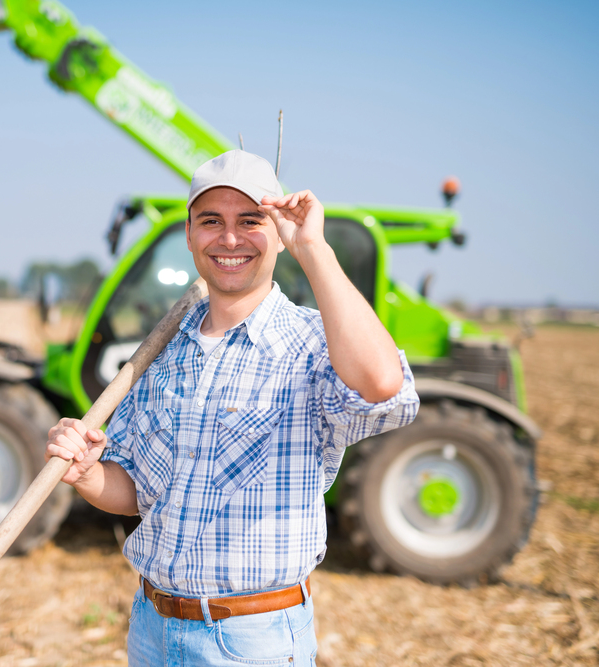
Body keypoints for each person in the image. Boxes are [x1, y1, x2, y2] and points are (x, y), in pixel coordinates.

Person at [46, 150, 419, 665]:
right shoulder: (161, 351)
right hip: (151, 629)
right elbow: (136, 492)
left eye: (250, 221)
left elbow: (381, 385)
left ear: (279, 233)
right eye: (211, 221)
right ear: (189, 234)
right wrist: (88, 473)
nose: (229, 239)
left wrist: (313, 247)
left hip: (249, 641)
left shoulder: (311, 345)